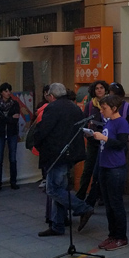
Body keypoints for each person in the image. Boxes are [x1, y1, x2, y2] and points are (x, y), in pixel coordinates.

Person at [32, 83, 94, 236]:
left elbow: (43, 131)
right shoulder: (74, 107)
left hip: (56, 154)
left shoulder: (52, 108)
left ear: (51, 96)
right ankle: (58, 225)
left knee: (52, 189)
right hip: (70, 154)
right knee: (60, 188)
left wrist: (36, 143)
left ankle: (83, 208)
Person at [92, 94, 129, 251]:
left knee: (116, 203)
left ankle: (121, 236)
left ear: (114, 108)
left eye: (105, 108)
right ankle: (112, 234)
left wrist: (104, 139)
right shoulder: (108, 123)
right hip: (105, 166)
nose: (102, 111)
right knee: (108, 204)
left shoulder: (121, 122)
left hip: (116, 168)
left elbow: (121, 144)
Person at [76, 80, 109, 204]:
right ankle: (80, 195)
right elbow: (85, 119)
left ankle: (100, 195)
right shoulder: (90, 105)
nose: (99, 90)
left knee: (101, 170)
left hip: (104, 142)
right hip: (92, 142)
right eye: (97, 88)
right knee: (88, 169)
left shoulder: (110, 104)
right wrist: (86, 131)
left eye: (101, 88)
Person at [0, 82, 21, 190]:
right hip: (0, 134)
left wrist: (3, 118)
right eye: (6, 91)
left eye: (9, 91)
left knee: (12, 158)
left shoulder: (15, 104)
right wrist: (9, 118)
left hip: (12, 133)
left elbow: (15, 120)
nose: (8, 93)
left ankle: (13, 181)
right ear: (1, 93)